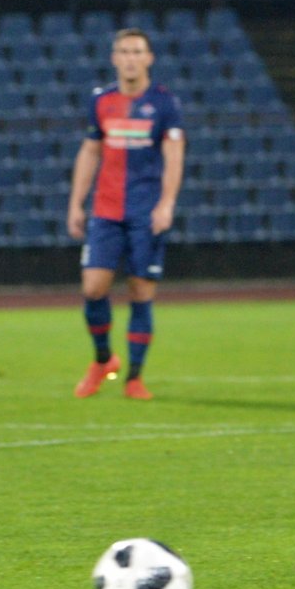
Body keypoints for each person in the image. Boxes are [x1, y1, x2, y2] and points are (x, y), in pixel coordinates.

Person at [67, 27, 185, 401]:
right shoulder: (101, 101)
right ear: (114, 58)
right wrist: (75, 202)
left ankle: (134, 377)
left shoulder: (165, 104)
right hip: (106, 208)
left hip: (145, 211)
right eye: (124, 51)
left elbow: (174, 156)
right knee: (93, 288)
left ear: (149, 58)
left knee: (140, 291)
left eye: (137, 51)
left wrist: (166, 203)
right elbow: (90, 151)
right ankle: (103, 359)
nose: (130, 58)